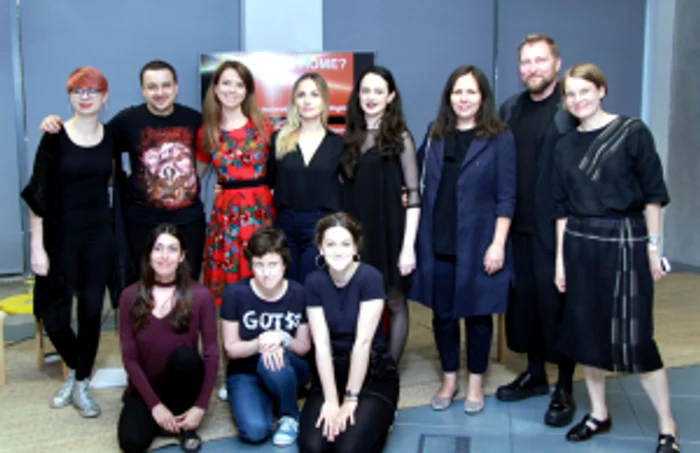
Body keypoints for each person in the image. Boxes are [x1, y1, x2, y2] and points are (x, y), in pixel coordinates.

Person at [553, 63, 679, 453]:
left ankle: (667, 426)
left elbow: (654, 195)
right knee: (587, 335)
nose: (577, 100)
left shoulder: (633, 133)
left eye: (584, 91)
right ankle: (598, 413)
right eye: (570, 94)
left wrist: (654, 247)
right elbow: (561, 209)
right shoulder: (564, 145)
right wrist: (560, 261)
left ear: (602, 90)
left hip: (626, 241)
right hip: (579, 244)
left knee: (636, 338)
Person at [40, 60, 206, 283]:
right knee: (142, 285)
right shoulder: (127, 121)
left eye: (166, 85)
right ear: (143, 90)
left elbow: (208, 157)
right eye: (152, 87)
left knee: (188, 283)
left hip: (188, 218)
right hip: (141, 220)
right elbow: (92, 141)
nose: (160, 93)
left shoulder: (195, 119)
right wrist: (57, 124)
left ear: (176, 87)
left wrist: (190, 181)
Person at [413, 65, 516, 414]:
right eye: (458, 92)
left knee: (478, 316)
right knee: (442, 316)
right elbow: (418, 180)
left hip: (479, 243)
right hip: (438, 240)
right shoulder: (434, 134)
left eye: (471, 92)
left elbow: (507, 196)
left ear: (483, 97)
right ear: (448, 97)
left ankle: (475, 383)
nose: (464, 98)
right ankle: (449, 379)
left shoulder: (500, 137)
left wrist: (498, 243)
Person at [21, 66, 115, 418]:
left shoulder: (112, 136)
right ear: (70, 96)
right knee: (56, 318)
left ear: (105, 97)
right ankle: (79, 373)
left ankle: (79, 385)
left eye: (92, 91)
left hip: (99, 236)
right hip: (59, 237)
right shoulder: (54, 135)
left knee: (91, 312)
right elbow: (38, 195)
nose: (85, 96)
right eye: (78, 91)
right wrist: (36, 247)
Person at [495, 34, 578, 427]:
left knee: (556, 307)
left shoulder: (572, 106)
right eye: (526, 62)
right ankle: (534, 374)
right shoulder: (510, 108)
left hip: (557, 228)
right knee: (524, 305)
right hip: (517, 228)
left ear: (557, 64)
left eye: (540, 61)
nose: (532, 69)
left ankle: (564, 385)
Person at [297, 213, 399, 453]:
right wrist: (332, 400)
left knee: (347, 449)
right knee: (312, 447)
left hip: (372, 374)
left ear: (356, 247)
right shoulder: (313, 282)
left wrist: (351, 399)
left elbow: (363, 343)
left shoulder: (370, 278)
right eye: (330, 244)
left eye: (345, 244)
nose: (338, 250)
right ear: (320, 248)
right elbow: (320, 345)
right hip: (331, 374)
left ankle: (383, 419)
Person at [340, 65, 420, 364]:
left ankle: (390, 371)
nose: (371, 97)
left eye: (378, 91)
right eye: (365, 90)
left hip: (391, 231)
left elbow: (413, 195)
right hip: (357, 234)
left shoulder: (400, 137)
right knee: (363, 301)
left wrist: (408, 247)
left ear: (391, 97)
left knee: (394, 300)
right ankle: (367, 362)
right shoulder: (350, 136)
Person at [117, 224, 219, 453]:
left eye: (172, 249)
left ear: (182, 256)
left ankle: (185, 423)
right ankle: (162, 417)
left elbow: (212, 354)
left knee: (186, 357)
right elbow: (130, 358)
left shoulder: (200, 295)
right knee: (131, 443)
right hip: (145, 387)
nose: (164, 256)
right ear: (148, 255)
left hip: (183, 383)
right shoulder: (129, 296)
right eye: (158, 249)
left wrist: (201, 406)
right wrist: (155, 406)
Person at [221, 227, 311, 447]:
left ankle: (289, 415)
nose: (266, 272)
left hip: (289, 367)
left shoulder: (298, 292)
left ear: (284, 264)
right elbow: (231, 348)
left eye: (272, 264)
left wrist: (282, 338)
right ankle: (261, 395)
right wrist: (260, 343)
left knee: (272, 361)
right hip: (245, 370)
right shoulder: (235, 293)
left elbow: (304, 346)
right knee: (255, 431)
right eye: (259, 265)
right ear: (251, 265)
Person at [195, 60, 274, 305]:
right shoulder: (207, 132)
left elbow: (281, 172)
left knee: (263, 274)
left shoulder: (263, 127)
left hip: (259, 212)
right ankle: (232, 341)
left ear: (247, 91)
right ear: (216, 88)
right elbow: (196, 176)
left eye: (239, 84)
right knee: (230, 290)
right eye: (226, 83)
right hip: (226, 216)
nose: (232, 90)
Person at [267, 72, 344, 284]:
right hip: (285, 225)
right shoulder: (278, 140)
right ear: (294, 102)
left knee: (312, 286)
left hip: (321, 225)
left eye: (314, 94)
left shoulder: (338, 144)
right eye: (301, 95)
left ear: (325, 100)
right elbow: (266, 181)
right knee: (288, 287)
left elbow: (353, 184)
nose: (307, 100)